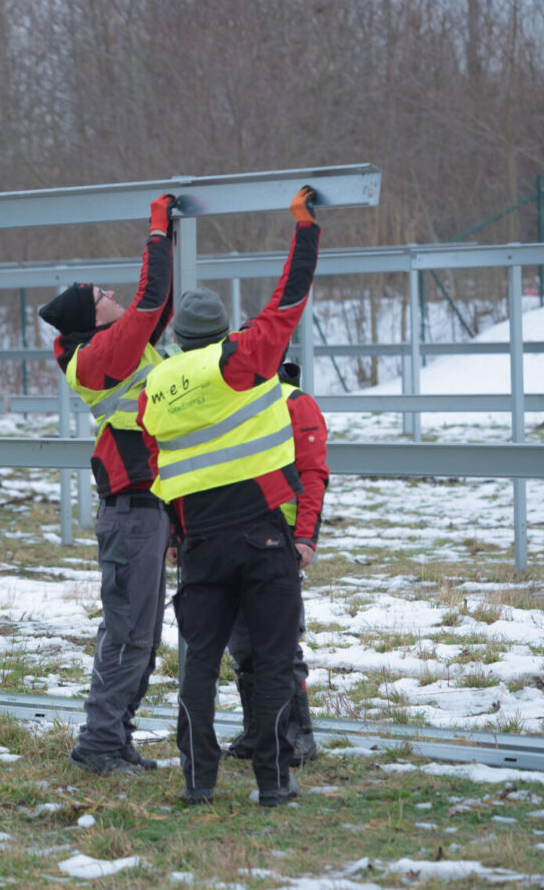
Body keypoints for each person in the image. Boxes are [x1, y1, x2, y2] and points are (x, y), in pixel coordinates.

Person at [137, 185, 321, 807]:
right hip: (264, 536)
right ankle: (273, 783)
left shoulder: (155, 385)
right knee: (270, 663)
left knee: (197, 666)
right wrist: (304, 226)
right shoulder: (241, 360)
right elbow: (287, 299)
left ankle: (199, 782)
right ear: (221, 332)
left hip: (198, 545)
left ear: (181, 340)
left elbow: (161, 466)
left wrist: (161, 231)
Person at [38, 194, 177, 776]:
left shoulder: (118, 346)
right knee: (128, 634)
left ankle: (113, 739)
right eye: (102, 297)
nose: (113, 295)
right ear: (93, 320)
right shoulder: (99, 356)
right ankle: (98, 744)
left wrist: (166, 237)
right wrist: (154, 229)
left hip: (146, 510)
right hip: (133, 511)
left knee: (140, 634)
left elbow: (157, 301)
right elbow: (148, 299)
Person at [226, 358, 328, 766]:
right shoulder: (231, 400)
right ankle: (258, 730)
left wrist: (305, 536)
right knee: (243, 642)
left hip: (277, 538)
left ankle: (297, 733)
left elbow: (313, 472)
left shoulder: (294, 403)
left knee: (279, 642)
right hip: (229, 536)